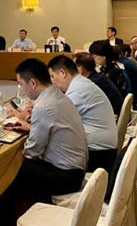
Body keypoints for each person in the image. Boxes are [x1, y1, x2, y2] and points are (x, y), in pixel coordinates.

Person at [5, 58, 88, 206]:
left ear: (33, 83)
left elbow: (32, 151)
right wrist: (31, 127)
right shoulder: (59, 95)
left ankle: (7, 214)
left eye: (21, 84)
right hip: (77, 169)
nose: (21, 89)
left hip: (66, 177)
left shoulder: (44, 106)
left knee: (13, 166)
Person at [48, 55, 118, 173]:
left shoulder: (77, 91)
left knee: (44, 154)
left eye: (52, 76)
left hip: (98, 155)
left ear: (63, 73)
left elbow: (55, 121)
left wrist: (29, 121)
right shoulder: (81, 83)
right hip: (103, 149)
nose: (52, 81)